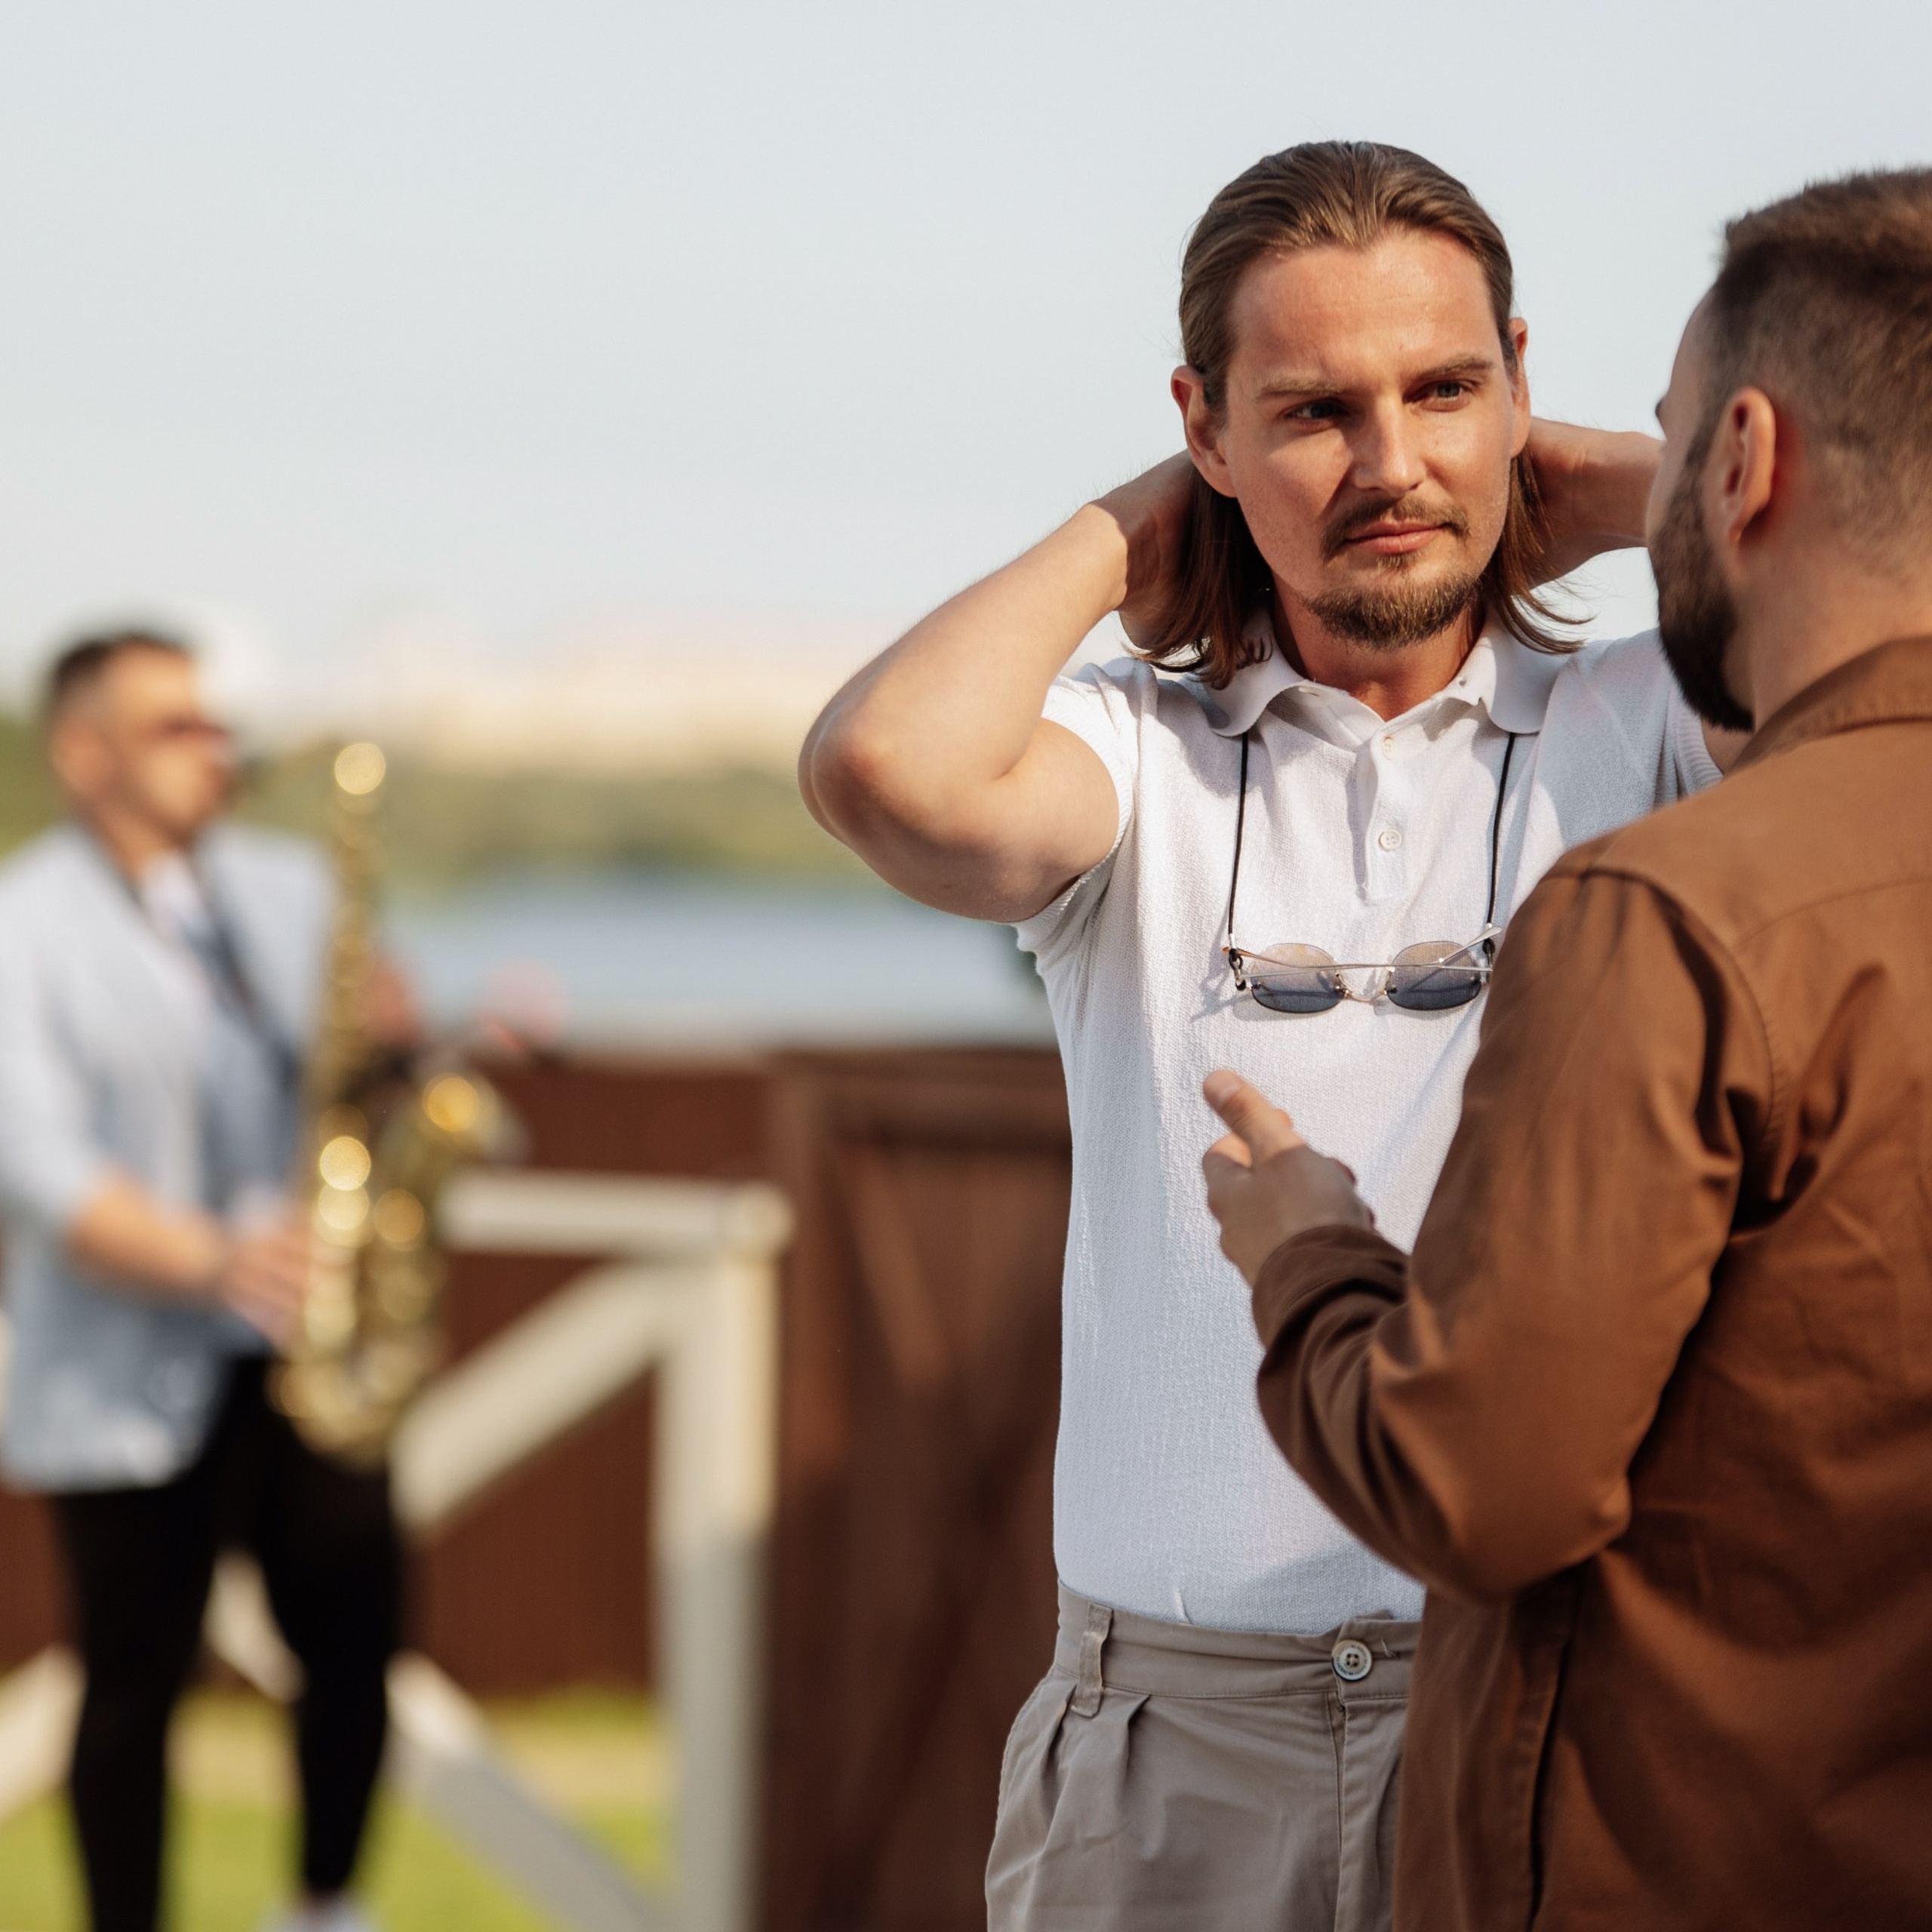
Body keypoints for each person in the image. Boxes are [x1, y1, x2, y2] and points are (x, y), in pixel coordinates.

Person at [802, 140, 1741, 1929]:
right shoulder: (1134, 756)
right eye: (1312, 409)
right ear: (1205, 428)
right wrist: (1126, 530)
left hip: (1537, 1703)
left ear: (1522, 391)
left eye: (1447, 391)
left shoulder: (1664, 718)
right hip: (1166, 1739)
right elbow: (876, 767)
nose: (1392, 465)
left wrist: (1632, 495)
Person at [1199, 166, 1932, 1931]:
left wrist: (1304, 1245)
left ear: (1745, 463)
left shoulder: (1676, 912)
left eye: (1668, 445)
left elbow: (1478, 1479)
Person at [0, 631, 401, 1932]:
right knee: (131, 1684)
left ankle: (324, 1908)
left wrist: (418, 1046)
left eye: (211, 722)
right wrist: (215, 1259)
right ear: (83, 753)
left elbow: (356, 1057)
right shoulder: (22, 924)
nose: (211, 747)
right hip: (124, 1364)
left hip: (302, 1344)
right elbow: (41, 1168)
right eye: (171, 725)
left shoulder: (286, 887)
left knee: (356, 1639)